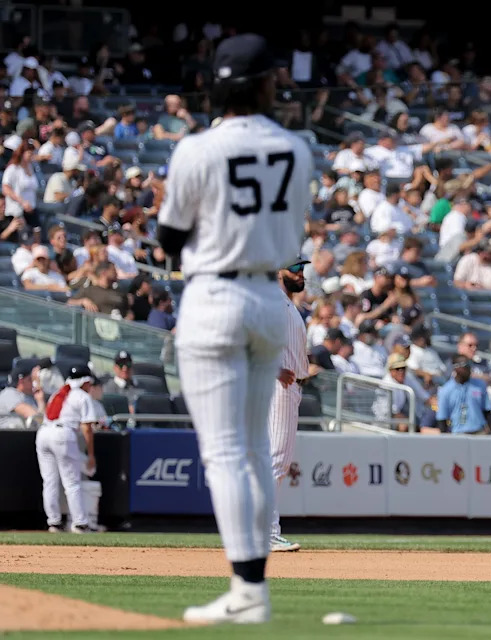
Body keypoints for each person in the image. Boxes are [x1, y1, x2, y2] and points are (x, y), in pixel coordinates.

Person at [156, 35, 313, 625]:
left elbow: (169, 239)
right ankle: (255, 583)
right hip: (269, 302)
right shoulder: (297, 147)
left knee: (225, 452)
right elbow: (288, 227)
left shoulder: (197, 148)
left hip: (215, 294)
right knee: (253, 449)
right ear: (269, 83)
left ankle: (247, 589)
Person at [266, 260, 310, 554]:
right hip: (279, 385)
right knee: (276, 460)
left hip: (289, 385)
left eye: (302, 269)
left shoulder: (285, 304)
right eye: (295, 268)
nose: (300, 274)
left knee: (274, 460)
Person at [35, 365, 98, 534]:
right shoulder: (82, 397)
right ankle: (80, 523)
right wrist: (90, 454)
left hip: (44, 433)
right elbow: (87, 428)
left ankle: (54, 522)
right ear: (85, 382)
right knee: (72, 482)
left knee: (49, 481)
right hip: (62, 434)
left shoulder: (58, 392)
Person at [433, 354, 491, 434]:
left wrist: (490, 430)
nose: (469, 368)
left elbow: (487, 410)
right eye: (466, 365)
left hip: (479, 431)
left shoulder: (480, 385)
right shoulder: (445, 390)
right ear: (456, 368)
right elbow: (442, 418)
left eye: (470, 364)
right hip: (458, 433)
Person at [0, 363, 45, 429]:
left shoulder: (31, 397)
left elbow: (42, 418)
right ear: (21, 381)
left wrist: (40, 401)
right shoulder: (9, 393)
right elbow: (33, 415)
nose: (34, 382)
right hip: (9, 436)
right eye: (31, 379)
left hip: (26, 434)